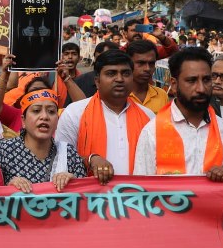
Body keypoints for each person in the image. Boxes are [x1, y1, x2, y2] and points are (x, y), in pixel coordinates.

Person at [55, 50, 154, 183]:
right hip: (90, 195)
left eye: (125, 73)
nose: (119, 79)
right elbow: (61, 161)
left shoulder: (148, 116)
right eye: (111, 73)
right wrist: (91, 159)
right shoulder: (74, 113)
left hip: (137, 194)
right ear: (97, 81)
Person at [134, 47, 223, 180]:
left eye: (206, 80)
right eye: (191, 80)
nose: (201, 89)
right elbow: (142, 185)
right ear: (174, 84)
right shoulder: (152, 132)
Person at [0, 88, 86, 192]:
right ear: (23, 120)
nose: (45, 117)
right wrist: (9, 187)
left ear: (57, 121)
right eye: (36, 111)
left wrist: (74, 183)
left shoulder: (68, 153)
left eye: (51, 112)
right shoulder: (4, 151)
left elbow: (84, 196)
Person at [126, 40, 169, 113]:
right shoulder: (118, 96)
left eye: (151, 63)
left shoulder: (161, 95)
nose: (147, 69)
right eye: (141, 63)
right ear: (128, 64)